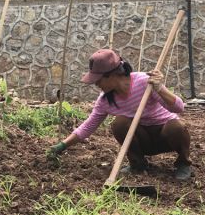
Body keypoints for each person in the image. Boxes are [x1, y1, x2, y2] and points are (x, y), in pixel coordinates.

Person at [47, 48, 193, 180]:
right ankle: (138, 164)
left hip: (165, 135)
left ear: (112, 75)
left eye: (98, 80)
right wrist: (62, 146)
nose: (96, 84)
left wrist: (160, 88)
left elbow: (179, 108)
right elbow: (88, 126)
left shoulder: (144, 82)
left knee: (176, 127)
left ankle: (183, 164)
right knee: (120, 123)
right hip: (142, 139)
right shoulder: (105, 100)